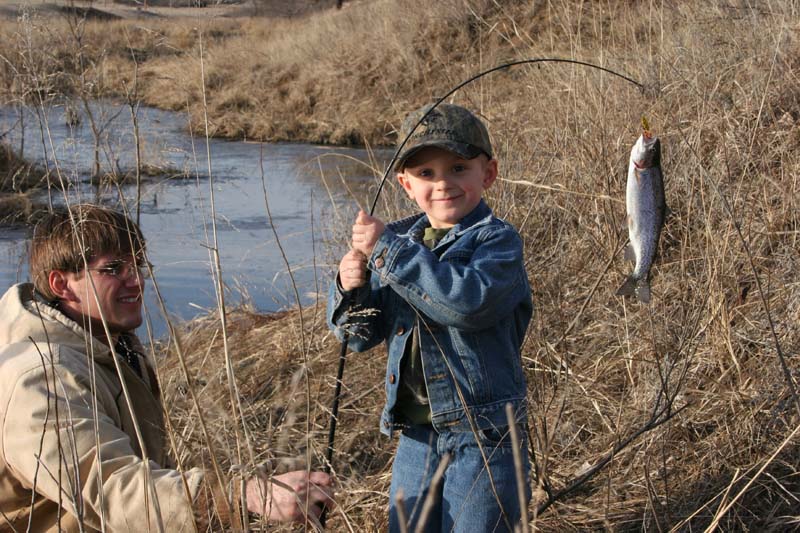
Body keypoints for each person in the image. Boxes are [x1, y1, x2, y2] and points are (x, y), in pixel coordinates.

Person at [0, 205, 334, 532]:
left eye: (139, 265)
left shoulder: (111, 343)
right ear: (61, 284)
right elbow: (114, 490)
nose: (137, 281)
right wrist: (244, 497)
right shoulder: (42, 378)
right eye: (114, 269)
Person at [327, 103, 532, 532]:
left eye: (458, 168)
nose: (443, 184)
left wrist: (388, 252)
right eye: (426, 174)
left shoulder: (498, 242)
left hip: (485, 436)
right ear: (405, 184)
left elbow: (467, 304)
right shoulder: (397, 243)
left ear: (487, 174)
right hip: (417, 436)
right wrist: (350, 287)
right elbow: (359, 336)